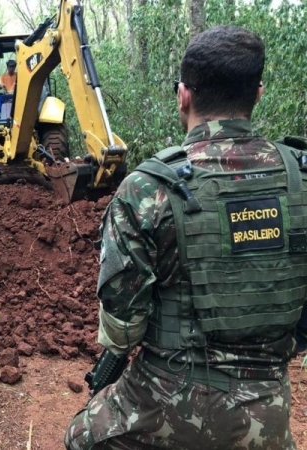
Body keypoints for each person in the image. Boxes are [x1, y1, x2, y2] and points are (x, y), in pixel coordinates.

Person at [65, 25, 306, 450]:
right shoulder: (299, 180)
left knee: (79, 437)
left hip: (162, 404)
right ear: (258, 94)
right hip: (266, 415)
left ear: (183, 95)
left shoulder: (147, 189)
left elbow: (122, 332)